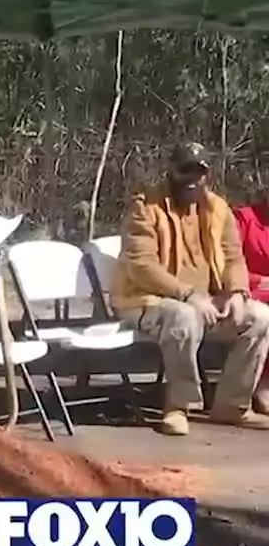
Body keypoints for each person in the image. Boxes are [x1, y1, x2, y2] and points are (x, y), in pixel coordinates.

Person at [113, 142, 269, 436]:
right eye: (186, 170)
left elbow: (233, 257)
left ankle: (232, 407)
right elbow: (141, 265)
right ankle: (178, 406)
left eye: (199, 171)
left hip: (206, 302)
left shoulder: (218, 208)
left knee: (260, 316)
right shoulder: (145, 208)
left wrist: (237, 292)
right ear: (171, 171)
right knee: (183, 316)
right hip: (146, 300)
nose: (193, 178)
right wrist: (189, 295)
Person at [234, 189, 269, 414]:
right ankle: (264, 385)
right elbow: (225, 263)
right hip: (244, 292)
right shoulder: (244, 218)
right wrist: (256, 280)